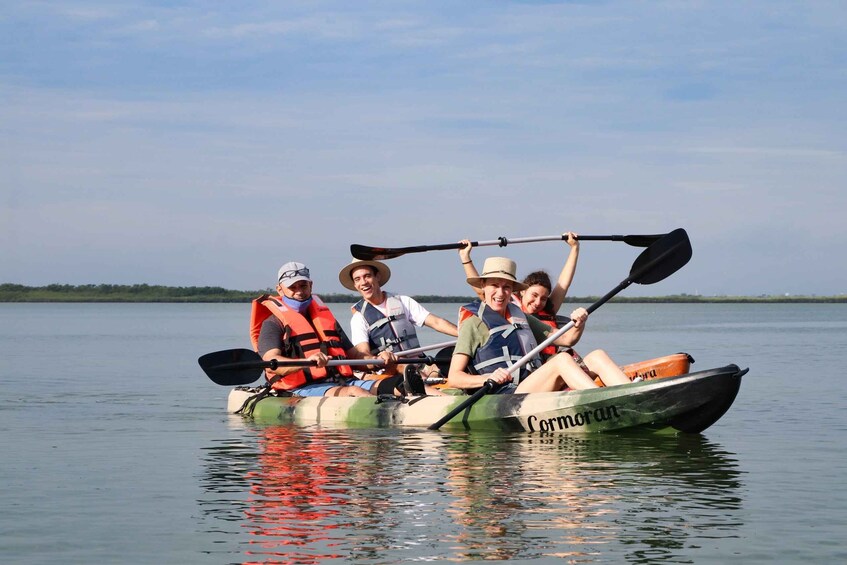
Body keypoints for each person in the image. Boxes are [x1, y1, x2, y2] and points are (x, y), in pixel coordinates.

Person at [447, 256, 632, 394]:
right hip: (508, 396)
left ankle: (635, 396)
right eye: (494, 285)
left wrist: (579, 322)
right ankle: (602, 401)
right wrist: (488, 377)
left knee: (597, 356)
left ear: (512, 290)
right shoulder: (472, 324)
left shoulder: (521, 318)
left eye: (506, 287)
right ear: (483, 286)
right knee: (561, 360)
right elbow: (454, 377)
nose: (500, 293)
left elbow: (567, 339)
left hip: (533, 387)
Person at [250, 261, 398, 397]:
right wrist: (306, 361)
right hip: (301, 388)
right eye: (292, 288)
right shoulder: (272, 323)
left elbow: (354, 356)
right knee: (355, 392)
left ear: (311, 285)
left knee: (397, 385)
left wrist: (377, 359)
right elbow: (271, 362)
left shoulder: (326, 318)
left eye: (303, 286)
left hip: (343, 381)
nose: (299, 291)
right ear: (280, 290)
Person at [338, 258, 459, 395]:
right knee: (404, 366)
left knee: (455, 353)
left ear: (377, 277)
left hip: (420, 363)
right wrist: (380, 358)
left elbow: (436, 322)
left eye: (367, 276)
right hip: (389, 369)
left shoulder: (403, 301)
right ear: (355, 285)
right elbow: (363, 353)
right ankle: (431, 390)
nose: (363, 282)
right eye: (358, 279)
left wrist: (463, 334)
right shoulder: (359, 318)